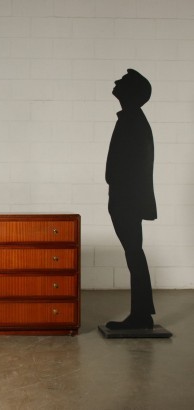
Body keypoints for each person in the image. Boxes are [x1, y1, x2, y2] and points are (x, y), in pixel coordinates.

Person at [105, 69, 157, 330]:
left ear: (132, 92)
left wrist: (122, 195)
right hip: (126, 199)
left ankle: (142, 315)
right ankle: (142, 313)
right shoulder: (132, 119)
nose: (116, 82)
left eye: (122, 82)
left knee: (134, 253)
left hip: (127, 201)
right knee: (134, 253)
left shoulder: (133, 121)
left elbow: (135, 166)